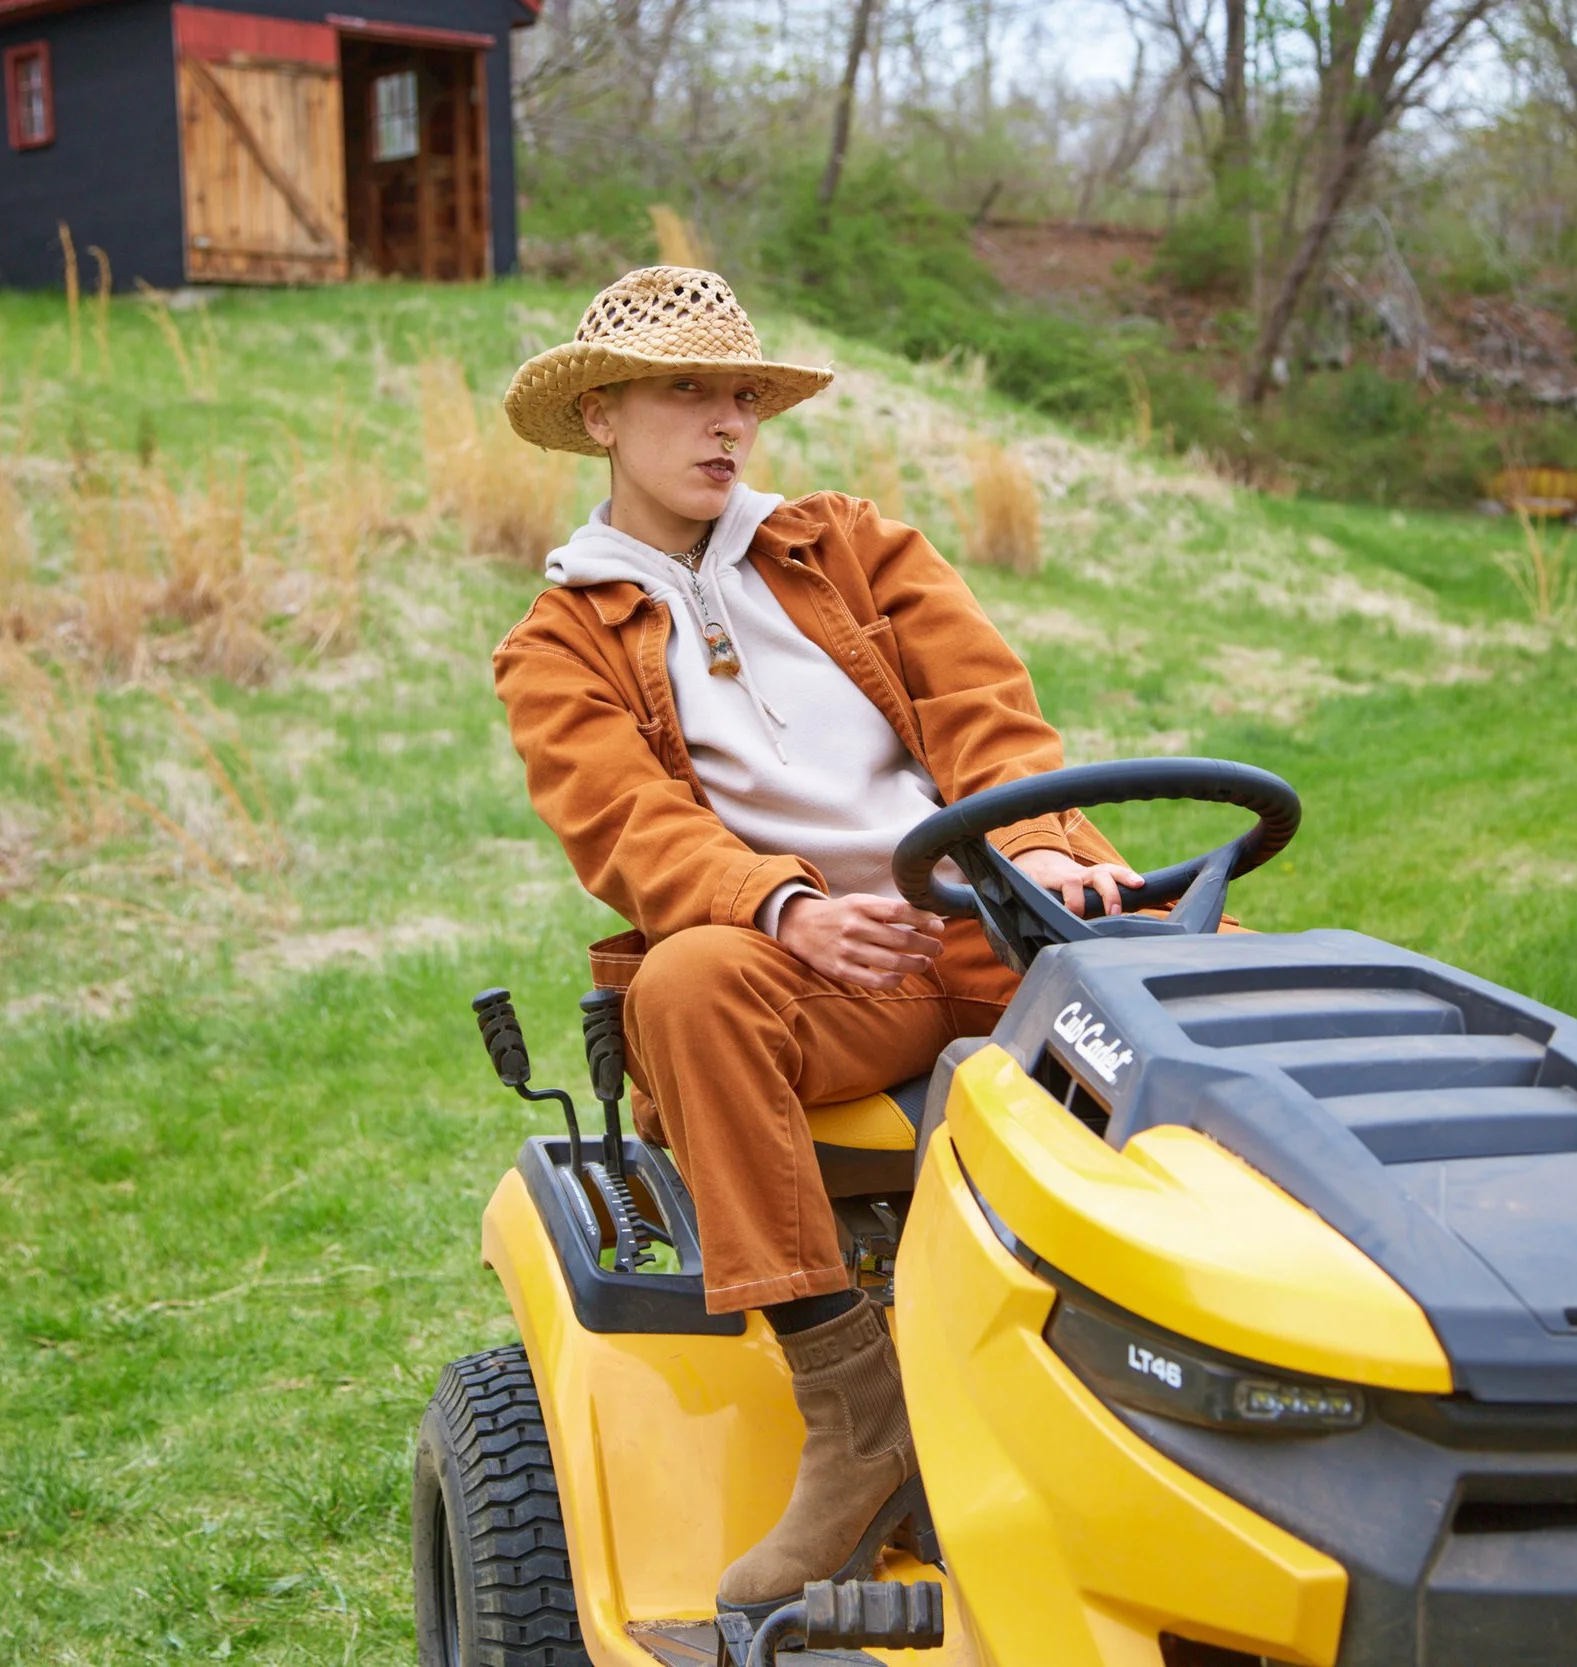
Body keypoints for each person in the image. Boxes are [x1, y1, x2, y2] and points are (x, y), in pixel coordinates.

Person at [493, 266, 1137, 1619]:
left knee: (1217, 975)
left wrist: (1048, 852)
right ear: (602, 415)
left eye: (743, 395)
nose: (725, 422)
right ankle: (855, 1406)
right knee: (687, 981)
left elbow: (984, 712)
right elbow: (625, 825)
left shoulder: (849, 545)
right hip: (798, 963)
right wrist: (784, 904)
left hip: (972, 924)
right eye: (687, 393)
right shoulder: (561, 638)